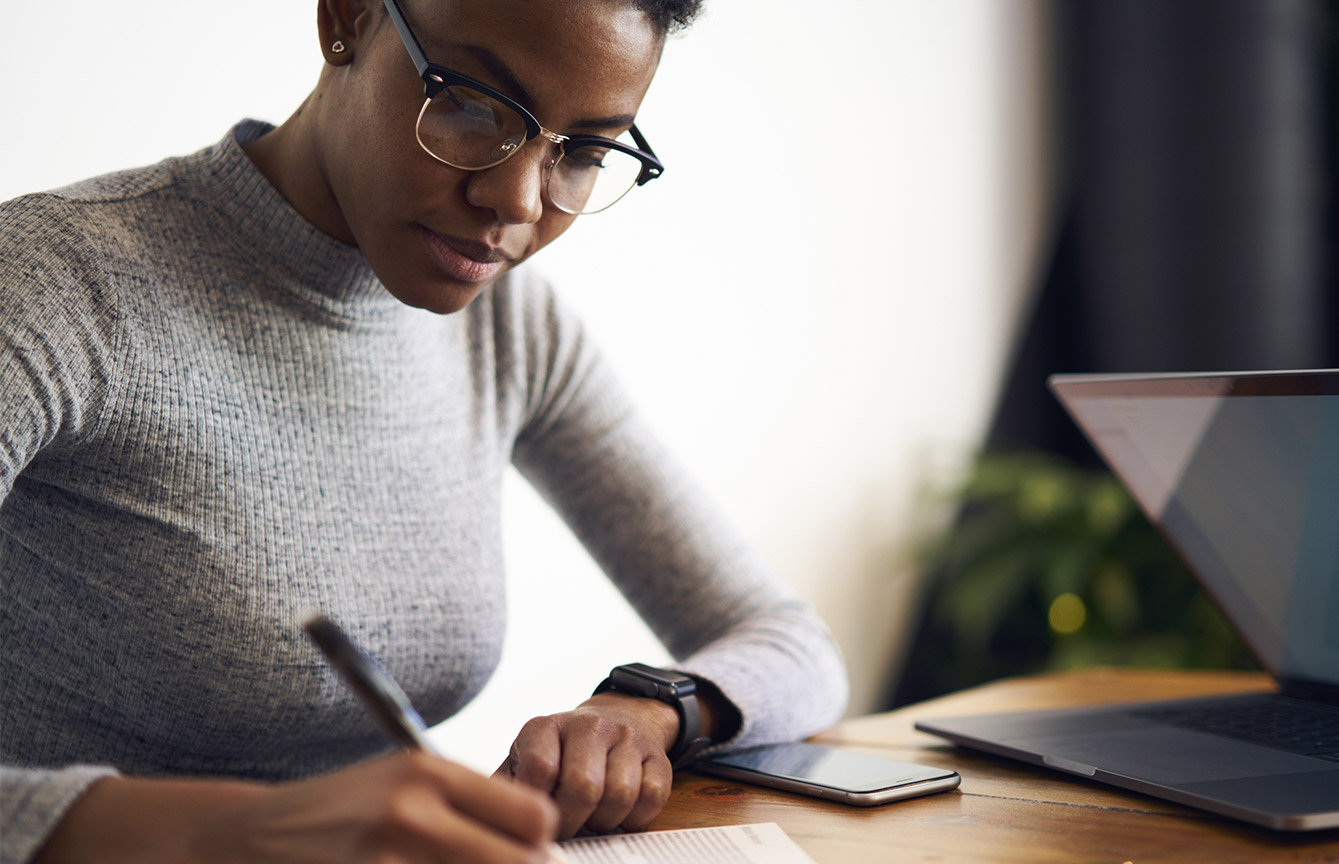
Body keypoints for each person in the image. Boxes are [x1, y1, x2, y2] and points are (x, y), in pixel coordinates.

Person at [0, 0, 849, 861]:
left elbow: (794, 648)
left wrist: (648, 706)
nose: (515, 202)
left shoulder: (511, 327)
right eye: (477, 105)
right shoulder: (51, 287)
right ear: (349, 18)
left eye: (584, 152)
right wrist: (226, 834)